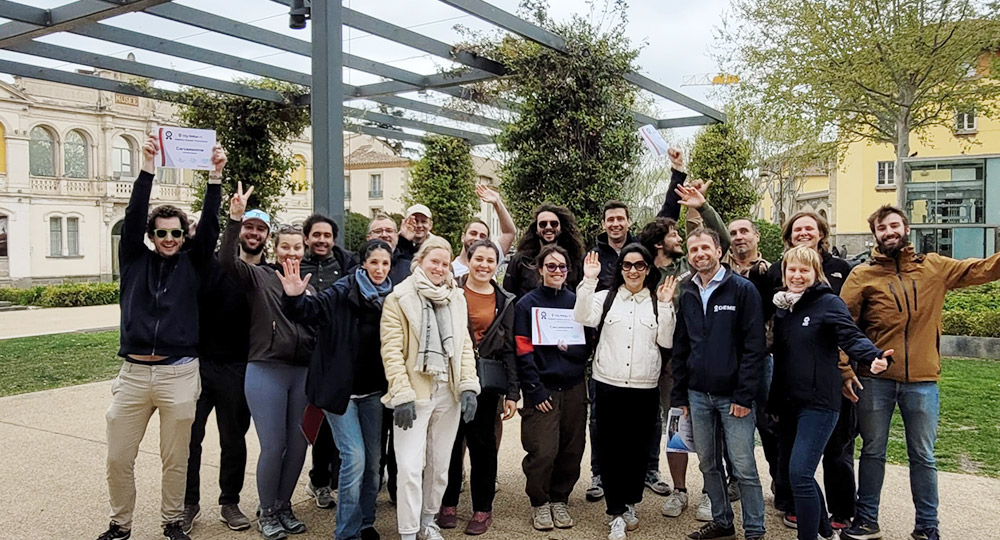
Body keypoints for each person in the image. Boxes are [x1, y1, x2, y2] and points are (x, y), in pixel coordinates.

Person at [840, 205, 1000, 540]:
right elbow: (843, 327)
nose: (889, 232)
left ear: (906, 228)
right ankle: (866, 520)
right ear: (875, 235)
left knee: (923, 456)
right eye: (882, 228)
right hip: (876, 380)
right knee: (872, 451)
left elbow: (982, 269)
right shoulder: (862, 276)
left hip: (923, 382)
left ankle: (927, 526)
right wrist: (845, 370)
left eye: (894, 225)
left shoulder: (934, 268)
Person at [97, 135, 225, 540]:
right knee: (119, 457)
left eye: (176, 233)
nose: (170, 239)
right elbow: (134, 215)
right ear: (151, 235)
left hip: (178, 375)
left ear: (184, 236)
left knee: (176, 458)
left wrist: (215, 177)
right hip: (134, 376)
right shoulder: (134, 258)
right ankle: (120, 524)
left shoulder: (194, 262)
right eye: (162, 233)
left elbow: (209, 228)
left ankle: (173, 521)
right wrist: (147, 167)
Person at [769, 245, 892, 540]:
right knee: (793, 474)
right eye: (792, 270)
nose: (797, 276)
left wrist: (871, 356)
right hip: (788, 404)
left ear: (816, 273)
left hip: (819, 404)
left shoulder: (828, 304)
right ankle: (824, 528)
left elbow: (849, 335)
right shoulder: (784, 306)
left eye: (804, 270)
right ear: (784, 273)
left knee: (800, 473)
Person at [279, 240, 394, 540]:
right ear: (363, 264)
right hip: (338, 391)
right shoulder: (343, 290)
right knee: (353, 458)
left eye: (385, 263)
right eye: (374, 263)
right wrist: (293, 297)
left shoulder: (392, 298)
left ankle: (365, 522)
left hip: (373, 391)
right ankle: (346, 533)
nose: (379, 269)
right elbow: (309, 309)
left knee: (372, 464)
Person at [221, 184, 317, 540]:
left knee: (299, 444)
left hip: (301, 373)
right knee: (273, 445)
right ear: (275, 249)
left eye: (298, 247)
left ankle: (284, 505)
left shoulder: (310, 286)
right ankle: (266, 509)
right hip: (266, 370)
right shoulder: (258, 277)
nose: (292, 252)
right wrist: (234, 219)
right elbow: (226, 262)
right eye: (286, 247)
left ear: (304, 249)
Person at [636, 179, 732, 521]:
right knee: (675, 429)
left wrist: (701, 206)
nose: (683, 241)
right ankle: (679, 491)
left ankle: (710, 491)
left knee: (707, 431)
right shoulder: (641, 274)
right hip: (659, 366)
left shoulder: (690, 271)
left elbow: (721, 240)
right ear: (660, 243)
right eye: (675, 236)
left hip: (696, 363)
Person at [380, 236, 481, 540]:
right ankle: (409, 531)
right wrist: (401, 394)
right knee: (410, 468)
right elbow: (392, 350)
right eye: (433, 261)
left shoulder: (456, 297)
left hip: (447, 392)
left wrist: (468, 386)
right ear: (420, 261)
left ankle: (428, 520)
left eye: (444, 262)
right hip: (414, 393)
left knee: (439, 467)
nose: (439, 268)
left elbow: (464, 347)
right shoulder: (399, 298)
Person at [575, 246, 677, 540]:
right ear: (620, 268)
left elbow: (667, 341)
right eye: (628, 265)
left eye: (640, 265)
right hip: (608, 384)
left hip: (644, 388)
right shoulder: (604, 298)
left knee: (637, 449)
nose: (633, 271)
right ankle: (615, 511)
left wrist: (667, 306)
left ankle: (631, 503)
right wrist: (589, 280)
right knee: (610, 450)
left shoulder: (656, 302)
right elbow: (582, 317)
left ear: (648, 269)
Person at [672, 227, 767, 540]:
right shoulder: (687, 291)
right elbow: (681, 346)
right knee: (708, 464)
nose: (699, 254)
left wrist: (744, 394)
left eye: (705, 248)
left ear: (719, 250)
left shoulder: (742, 290)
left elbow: (754, 347)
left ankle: (754, 530)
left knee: (743, 467)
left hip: (734, 397)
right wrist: (680, 396)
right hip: (698, 395)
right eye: (693, 249)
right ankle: (723, 522)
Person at [764, 211, 856, 530]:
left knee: (832, 454)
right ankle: (818, 524)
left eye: (810, 228)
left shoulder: (837, 279)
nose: (797, 275)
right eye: (797, 228)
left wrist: (856, 364)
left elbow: (848, 331)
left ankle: (840, 512)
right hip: (791, 394)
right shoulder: (783, 299)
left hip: (825, 387)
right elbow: (778, 344)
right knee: (796, 468)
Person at [183, 208, 268, 533]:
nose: (254, 233)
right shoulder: (214, 265)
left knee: (234, 439)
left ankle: (229, 501)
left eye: (261, 228)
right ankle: (189, 503)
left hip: (238, 367)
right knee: (191, 439)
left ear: (267, 237)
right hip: (199, 364)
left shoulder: (267, 274)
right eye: (249, 226)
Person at [438, 239, 520, 535]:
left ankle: (482, 509)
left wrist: (513, 392)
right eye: (479, 259)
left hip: (486, 382)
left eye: (490, 260)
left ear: (497, 264)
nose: (484, 265)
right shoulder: (450, 291)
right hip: (450, 378)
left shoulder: (505, 300)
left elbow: (510, 347)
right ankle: (447, 503)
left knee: (482, 446)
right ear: (468, 261)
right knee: (449, 442)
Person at [513, 244, 590, 531]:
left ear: (568, 271)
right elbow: (522, 349)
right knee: (542, 450)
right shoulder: (526, 304)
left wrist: (568, 349)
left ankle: (560, 498)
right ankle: (539, 502)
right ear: (540, 269)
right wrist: (534, 389)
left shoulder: (576, 302)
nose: (557, 271)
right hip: (542, 388)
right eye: (551, 266)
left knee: (572, 448)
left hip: (573, 387)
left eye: (562, 267)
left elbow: (586, 348)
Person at [300, 213, 359, 510]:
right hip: (303, 354)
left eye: (327, 235)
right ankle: (319, 480)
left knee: (336, 420)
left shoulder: (347, 267)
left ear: (334, 239)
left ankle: (329, 480)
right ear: (307, 237)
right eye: (316, 235)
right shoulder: (296, 266)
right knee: (313, 424)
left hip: (336, 354)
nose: (322, 240)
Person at [503, 204, 586, 300]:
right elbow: (508, 295)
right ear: (536, 229)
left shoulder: (575, 260)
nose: (548, 227)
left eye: (554, 224)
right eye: (543, 224)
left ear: (561, 227)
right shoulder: (521, 260)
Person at [451, 184, 517, 278]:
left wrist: (497, 203)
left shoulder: (492, 258)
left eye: (482, 236)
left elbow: (509, 233)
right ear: (463, 237)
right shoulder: (451, 269)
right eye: (473, 233)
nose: (477, 238)